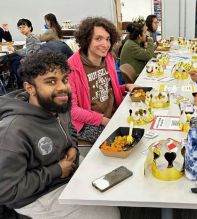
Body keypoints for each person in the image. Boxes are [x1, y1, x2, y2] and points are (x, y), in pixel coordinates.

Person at [0, 51, 120, 219]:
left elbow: (70, 128)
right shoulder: (12, 131)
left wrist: (72, 146)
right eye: (51, 81)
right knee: (109, 214)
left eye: (64, 80)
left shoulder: (57, 104)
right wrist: (56, 170)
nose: (62, 87)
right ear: (30, 88)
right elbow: (6, 191)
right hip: (38, 195)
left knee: (115, 185)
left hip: (66, 171)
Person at [68, 17, 136, 144]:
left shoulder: (108, 58)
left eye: (108, 39)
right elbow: (73, 110)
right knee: (125, 143)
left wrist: (125, 87)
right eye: (98, 38)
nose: (105, 44)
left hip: (112, 114)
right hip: (88, 123)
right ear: (87, 40)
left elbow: (108, 88)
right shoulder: (71, 67)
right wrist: (105, 121)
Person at [7, 18, 41, 89]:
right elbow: (27, 50)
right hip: (34, 59)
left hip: (33, 61)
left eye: (24, 27)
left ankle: (19, 84)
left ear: (30, 27)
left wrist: (14, 50)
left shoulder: (31, 38)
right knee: (13, 58)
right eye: (20, 28)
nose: (22, 29)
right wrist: (15, 50)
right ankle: (13, 81)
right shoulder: (31, 37)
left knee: (13, 61)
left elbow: (28, 54)